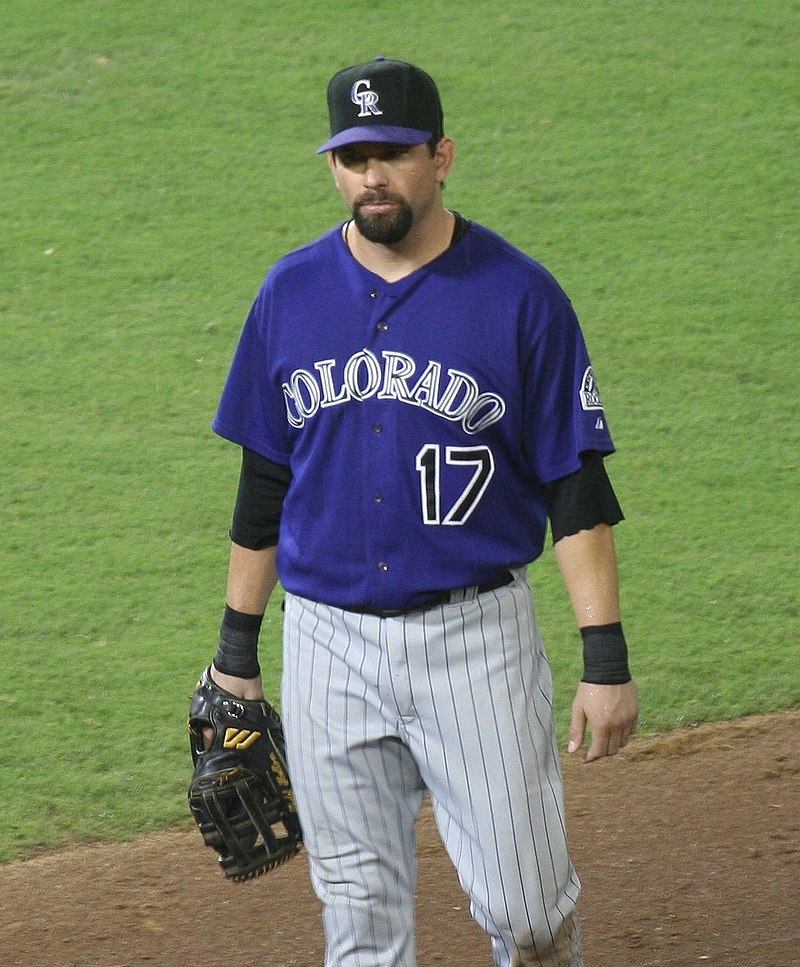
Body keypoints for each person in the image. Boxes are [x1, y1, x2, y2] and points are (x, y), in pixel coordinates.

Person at [206, 56, 639, 967]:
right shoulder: (288, 294)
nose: (373, 175)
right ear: (332, 167)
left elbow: (576, 490)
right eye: (353, 155)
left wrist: (606, 657)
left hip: (475, 640)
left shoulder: (522, 297)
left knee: (526, 912)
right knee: (360, 922)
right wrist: (236, 655)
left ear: (440, 157)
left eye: (393, 153)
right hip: (325, 645)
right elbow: (261, 489)